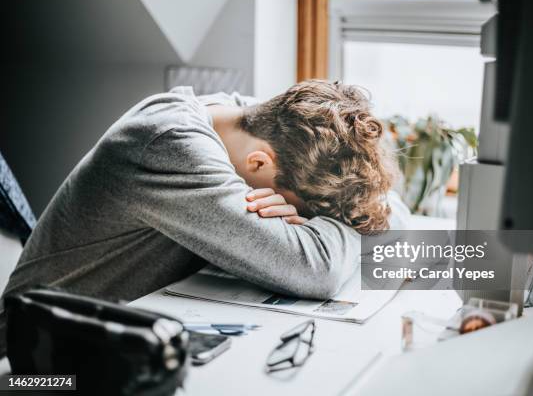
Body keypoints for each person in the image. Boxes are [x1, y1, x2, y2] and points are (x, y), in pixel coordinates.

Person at [0, 80, 407, 352]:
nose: (297, 220)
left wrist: (346, 216)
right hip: (36, 361)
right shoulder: (169, 143)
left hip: (125, 343)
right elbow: (314, 269)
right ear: (260, 163)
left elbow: (391, 208)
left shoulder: (249, 121)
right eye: (301, 211)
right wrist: (352, 224)